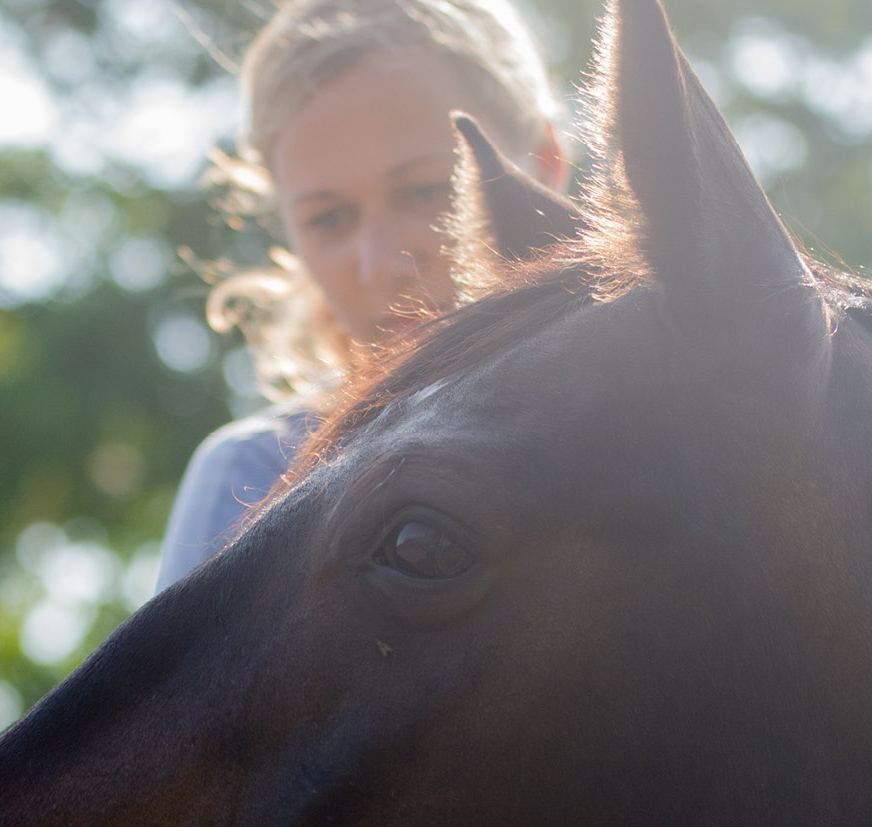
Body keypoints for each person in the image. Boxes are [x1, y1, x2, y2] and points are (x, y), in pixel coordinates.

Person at [156, 0, 571, 592]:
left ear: (546, 163)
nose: (381, 266)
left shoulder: (689, 424)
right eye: (328, 219)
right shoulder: (256, 481)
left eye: (430, 191)